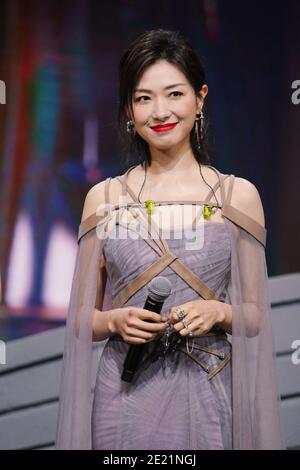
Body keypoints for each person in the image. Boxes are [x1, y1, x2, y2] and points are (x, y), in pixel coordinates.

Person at [55, 29, 285, 450]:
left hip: (208, 386)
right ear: (129, 109)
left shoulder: (237, 195)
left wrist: (219, 311)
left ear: (200, 98)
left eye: (174, 94)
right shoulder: (104, 198)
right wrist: (113, 321)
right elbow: (79, 318)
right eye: (143, 98)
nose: (160, 111)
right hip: (123, 392)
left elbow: (255, 317)